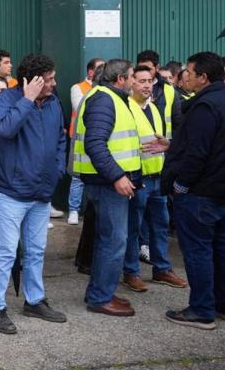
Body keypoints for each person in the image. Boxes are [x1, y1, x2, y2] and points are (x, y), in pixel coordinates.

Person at [162, 52, 225, 329]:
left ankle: (201, 310)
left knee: (198, 251)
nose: (184, 76)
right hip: (224, 191)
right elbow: (220, 144)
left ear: (203, 77)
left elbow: (198, 153)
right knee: (222, 247)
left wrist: (180, 185)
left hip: (201, 193)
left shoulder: (205, 106)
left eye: (189, 72)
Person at [0, 54, 67, 335]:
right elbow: (6, 129)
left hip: (41, 191)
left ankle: (34, 301)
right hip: (11, 191)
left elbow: (61, 139)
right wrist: (28, 99)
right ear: (32, 81)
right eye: (49, 79)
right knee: (6, 251)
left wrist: (57, 169)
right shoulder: (6, 100)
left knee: (36, 251)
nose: (54, 84)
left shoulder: (54, 103)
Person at [75, 59, 143, 317]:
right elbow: (95, 143)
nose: (135, 80)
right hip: (107, 184)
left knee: (108, 240)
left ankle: (100, 291)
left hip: (109, 182)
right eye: (132, 76)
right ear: (120, 79)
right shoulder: (104, 99)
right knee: (114, 241)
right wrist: (117, 176)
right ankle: (100, 297)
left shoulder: (111, 98)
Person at [121, 65, 187, 292]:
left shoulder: (155, 108)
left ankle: (162, 269)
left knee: (160, 225)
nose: (147, 85)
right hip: (138, 178)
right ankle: (131, 272)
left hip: (158, 177)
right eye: (142, 81)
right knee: (134, 227)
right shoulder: (126, 108)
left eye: (150, 81)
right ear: (131, 82)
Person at [67, 58, 105, 225]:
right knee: (77, 177)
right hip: (79, 138)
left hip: (98, 138)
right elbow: (79, 107)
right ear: (90, 71)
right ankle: (73, 210)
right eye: (100, 68)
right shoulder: (78, 88)